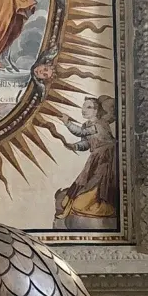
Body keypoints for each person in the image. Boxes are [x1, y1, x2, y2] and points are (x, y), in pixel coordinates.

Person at [53, 95, 118, 230]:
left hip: (106, 157)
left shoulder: (100, 124)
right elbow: (86, 144)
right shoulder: (86, 125)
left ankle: (98, 202)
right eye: (83, 107)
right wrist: (74, 146)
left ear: (97, 111)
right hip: (95, 157)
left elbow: (80, 132)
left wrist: (67, 122)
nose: (84, 110)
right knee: (76, 192)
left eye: (89, 107)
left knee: (96, 184)